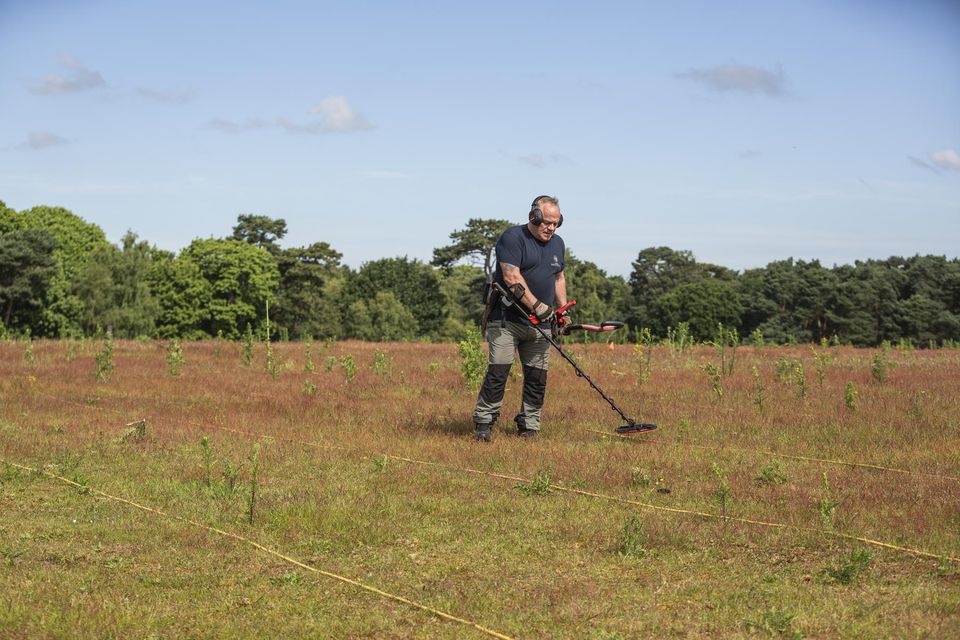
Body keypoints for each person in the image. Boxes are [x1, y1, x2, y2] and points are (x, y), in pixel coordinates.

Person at [472, 195, 567, 441]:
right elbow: (512, 277)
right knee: (499, 371)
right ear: (533, 217)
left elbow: (559, 278)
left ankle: (529, 426)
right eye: (546, 222)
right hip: (506, 320)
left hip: (541, 326)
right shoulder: (513, 238)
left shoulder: (558, 244)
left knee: (537, 376)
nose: (551, 228)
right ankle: (484, 423)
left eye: (556, 223)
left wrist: (562, 310)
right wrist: (538, 306)